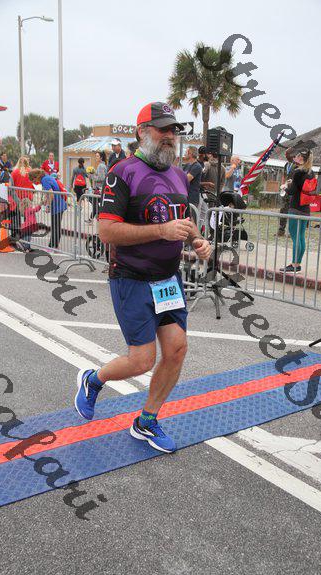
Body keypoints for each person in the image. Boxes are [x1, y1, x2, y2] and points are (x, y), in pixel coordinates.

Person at [74, 101, 212, 453]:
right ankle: (93, 380)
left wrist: (197, 240)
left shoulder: (178, 175)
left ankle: (146, 421)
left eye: (173, 130)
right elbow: (106, 231)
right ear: (142, 132)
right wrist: (161, 231)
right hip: (132, 278)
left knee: (177, 349)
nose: (170, 136)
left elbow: (183, 220)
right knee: (142, 360)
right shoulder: (122, 172)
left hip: (168, 280)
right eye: (163, 129)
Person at [279, 148, 315, 273]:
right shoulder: (310, 172)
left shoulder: (297, 171)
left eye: (297, 155)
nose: (295, 157)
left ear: (301, 158)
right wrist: (292, 182)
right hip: (306, 208)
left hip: (295, 208)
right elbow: (301, 187)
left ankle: (294, 265)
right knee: (301, 237)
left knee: (295, 237)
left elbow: (292, 191)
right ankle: (298, 264)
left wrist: (285, 186)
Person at [29, 168, 67, 250]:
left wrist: (48, 206)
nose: (34, 183)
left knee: (55, 226)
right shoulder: (46, 177)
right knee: (56, 226)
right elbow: (49, 193)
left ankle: (52, 246)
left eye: (33, 181)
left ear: (35, 177)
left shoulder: (44, 180)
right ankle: (55, 245)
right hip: (59, 203)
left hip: (57, 205)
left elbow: (51, 194)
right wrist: (45, 202)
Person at [10, 156, 34, 240]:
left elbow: (10, 186)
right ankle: (27, 240)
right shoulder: (31, 172)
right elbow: (33, 185)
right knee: (28, 220)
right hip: (28, 199)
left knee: (16, 219)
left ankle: (16, 238)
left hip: (17, 199)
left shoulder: (14, 172)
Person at [277, 148, 296, 237]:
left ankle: (291, 232)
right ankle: (281, 230)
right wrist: (283, 185)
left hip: (293, 192)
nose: (286, 156)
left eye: (287, 155)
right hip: (285, 191)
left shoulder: (297, 165)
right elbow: (284, 176)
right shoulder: (286, 165)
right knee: (283, 210)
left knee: (292, 211)